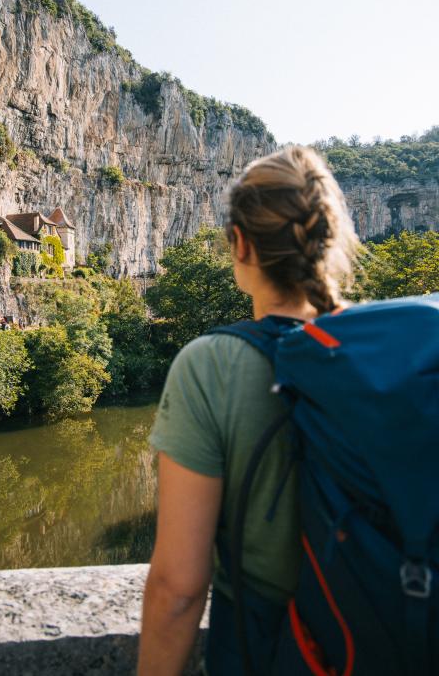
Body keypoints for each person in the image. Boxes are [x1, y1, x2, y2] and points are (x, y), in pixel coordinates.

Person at [138, 145, 360, 676]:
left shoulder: (209, 365)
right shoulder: (390, 353)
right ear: (327, 243)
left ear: (240, 244)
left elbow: (178, 590)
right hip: (383, 632)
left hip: (267, 646)